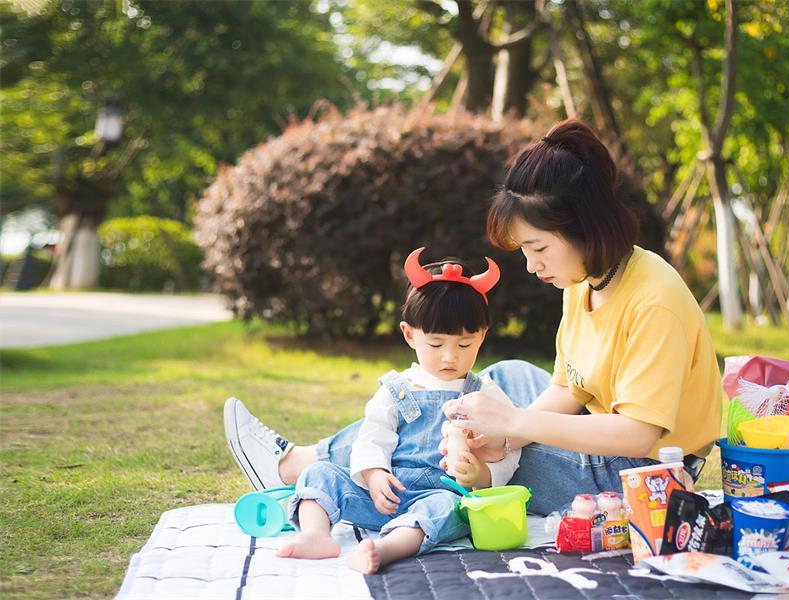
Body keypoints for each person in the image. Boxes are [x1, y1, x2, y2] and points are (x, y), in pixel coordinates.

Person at [225, 118, 724, 519]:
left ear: (585, 230)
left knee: (451, 425)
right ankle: (313, 459)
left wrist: (512, 425)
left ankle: (296, 466)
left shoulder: (651, 298)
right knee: (487, 387)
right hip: (608, 438)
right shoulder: (589, 280)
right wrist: (505, 431)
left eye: (538, 248)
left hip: (645, 474)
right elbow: (572, 389)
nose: (531, 266)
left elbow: (639, 434)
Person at [234, 247, 520, 573]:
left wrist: (483, 476)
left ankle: (386, 549)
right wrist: (374, 474)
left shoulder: (484, 393)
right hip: (385, 492)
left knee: (448, 508)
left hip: (438, 496)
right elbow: (371, 438)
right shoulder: (398, 389)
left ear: (482, 336)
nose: (449, 357)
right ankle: (316, 535)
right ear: (410, 334)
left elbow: (510, 447)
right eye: (437, 344)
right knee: (318, 472)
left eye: (464, 344)